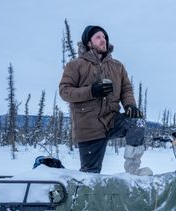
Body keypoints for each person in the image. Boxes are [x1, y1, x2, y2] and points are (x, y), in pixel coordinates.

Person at [59, 25, 152, 175]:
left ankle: (133, 171)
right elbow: (65, 91)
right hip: (89, 126)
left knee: (136, 122)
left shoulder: (117, 66)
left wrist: (130, 105)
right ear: (89, 43)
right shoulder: (75, 65)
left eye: (104, 37)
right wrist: (92, 90)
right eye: (98, 37)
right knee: (89, 176)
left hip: (112, 120)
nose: (103, 40)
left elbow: (126, 89)